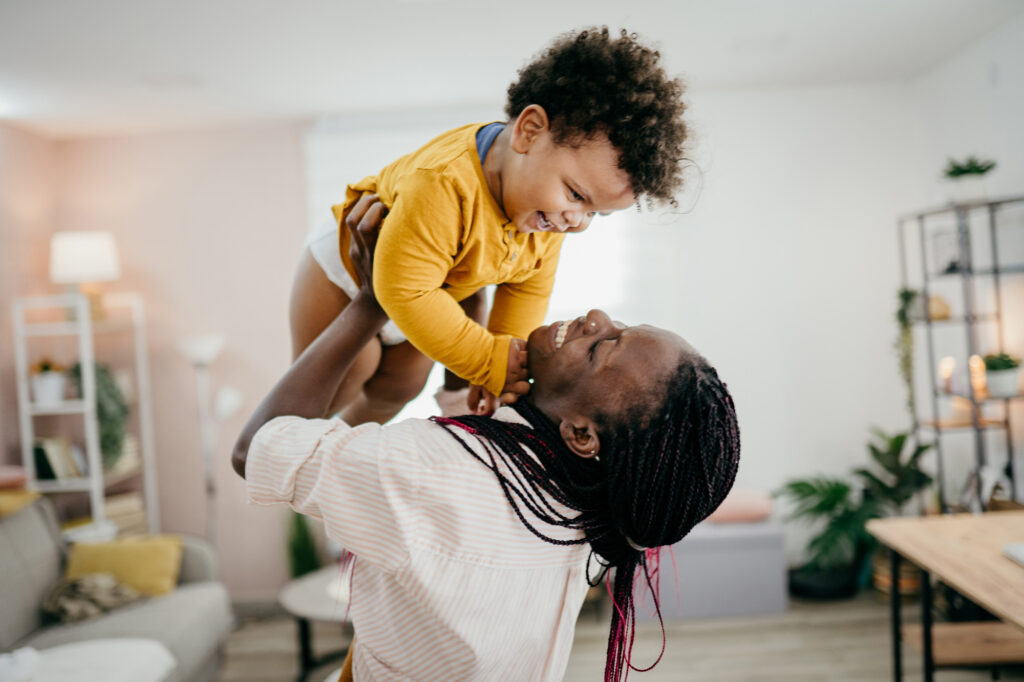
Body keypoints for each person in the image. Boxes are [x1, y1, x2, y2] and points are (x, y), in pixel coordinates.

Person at [234, 197, 740, 681]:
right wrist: (469, 300)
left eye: (602, 348)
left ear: (582, 435)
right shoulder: (585, 513)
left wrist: (371, 302)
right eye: (622, 323)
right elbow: (476, 438)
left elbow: (259, 447)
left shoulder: (431, 473)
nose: (596, 317)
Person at [289, 26, 689, 424]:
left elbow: (526, 292)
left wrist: (503, 360)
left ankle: (341, 453)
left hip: (432, 295)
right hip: (346, 274)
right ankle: (302, 448)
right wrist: (485, 360)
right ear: (530, 132)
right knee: (351, 374)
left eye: (595, 214)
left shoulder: (546, 217)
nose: (577, 223)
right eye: (576, 195)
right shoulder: (445, 182)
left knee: (401, 388)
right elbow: (403, 288)